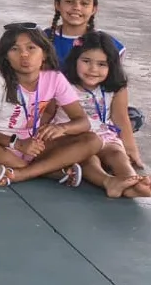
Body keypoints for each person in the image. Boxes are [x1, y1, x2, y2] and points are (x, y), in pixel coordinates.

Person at [0, 25, 102, 189]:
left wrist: (63, 128)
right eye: (14, 49)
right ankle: (49, 171)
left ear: (44, 53)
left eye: (31, 48)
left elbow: (83, 121)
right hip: (2, 146)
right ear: (6, 58)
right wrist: (17, 143)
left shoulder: (55, 78)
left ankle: (21, 174)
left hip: (37, 145)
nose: (24, 54)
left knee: (92, 140)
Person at [62, 32, 150, 198]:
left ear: (112, 66)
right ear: (75, 61)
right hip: (75, 137)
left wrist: (131, 149)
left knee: (118, 154)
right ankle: (107, 181)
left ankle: (132, 181)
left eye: (102, 64)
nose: (93, 69)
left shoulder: (115, 87)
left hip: (104, 133)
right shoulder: (63, 84)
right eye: (86, 61)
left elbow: (121, 117)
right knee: (89, 159)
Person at [46, 0, 124, 65]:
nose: (76, 7)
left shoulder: (106, 43)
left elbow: (115, 77)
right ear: (57, 5)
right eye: (69, 1)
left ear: (94, 9)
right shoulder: (41, 39)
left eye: (84, 3)